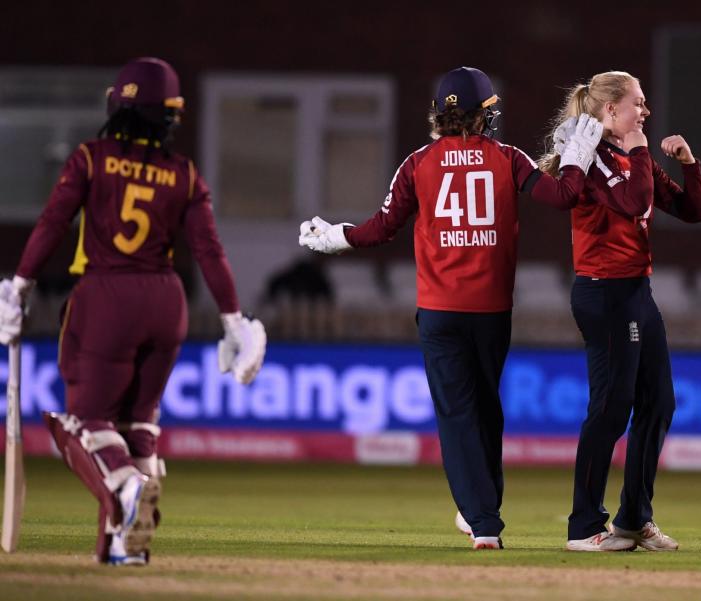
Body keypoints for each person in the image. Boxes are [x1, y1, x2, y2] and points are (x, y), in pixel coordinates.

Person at [298, 66, 602, 549]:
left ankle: (483, 521)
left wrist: (337, 237)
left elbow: (382, 227)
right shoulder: (508, 158)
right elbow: (564, 196)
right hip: (491, 311)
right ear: (483, 117)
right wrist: (578, 157)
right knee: (485, 410)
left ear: (439, 115)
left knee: (459, 415)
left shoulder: (418, 162)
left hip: (439, 311)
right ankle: (483, 512)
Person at [0, 57, 266, 565]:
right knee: (138, 424)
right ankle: (124, 543)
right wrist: (233, 322)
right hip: (167, 304)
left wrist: (18, 286)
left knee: (84, 421)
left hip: (105, 297)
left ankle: (124, 486)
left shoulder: (92, 158)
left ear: (118, 103)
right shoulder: (183, 174)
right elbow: (210, 252)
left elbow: (53, 222)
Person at [539, 71, 701, 552]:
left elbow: (692, 210)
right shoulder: (587, 158)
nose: (645, 112)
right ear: (610, 110)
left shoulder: (632, 156)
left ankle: (634, 519)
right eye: (638, 103)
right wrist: (638, 151)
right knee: (611, 411)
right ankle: (583, 525)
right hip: (605, 293)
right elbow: (633, 203)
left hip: (636, 292)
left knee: (659, 404)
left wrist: (689, 163)